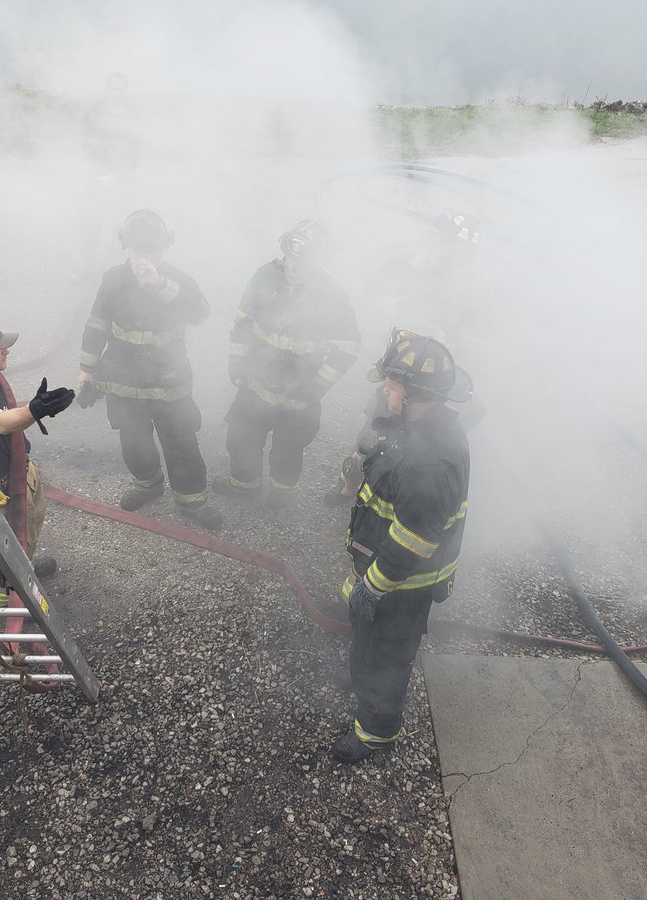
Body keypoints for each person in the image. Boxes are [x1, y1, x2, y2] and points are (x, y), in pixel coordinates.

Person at [332, 329, 473, 763]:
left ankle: (375, 732)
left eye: (392, 385)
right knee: (368, 643)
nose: (385, 391)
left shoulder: (430, 465)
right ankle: (362, 674)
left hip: (402, 587)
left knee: (387, 661)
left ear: (414, 395)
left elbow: (412, 540)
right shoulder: (416, 427)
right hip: (383, 573)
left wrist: (372, 588)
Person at [323, 210, 485, 505]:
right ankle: (350, 485)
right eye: (438, 242)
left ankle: (398, 495)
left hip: (433, 388)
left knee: (419, 448)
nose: (439, 251)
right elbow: (381, 287)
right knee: (371, 435)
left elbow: (474, 347)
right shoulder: (418, 267)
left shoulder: (470, 295)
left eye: (448, 247)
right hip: (401, 377)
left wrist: (448, 349)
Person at [77, 210, 223, 531]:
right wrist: (87, 370)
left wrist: (159, 285)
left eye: (152, 250)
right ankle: (147, 485)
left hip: (170, 384)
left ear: (164, 248)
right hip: (122, 383)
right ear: (126, 247)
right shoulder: (113, 279)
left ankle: (192, 500)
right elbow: (97, 324)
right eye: (138, 250)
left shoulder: (179, 280)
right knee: (133, 441)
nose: (144, 257)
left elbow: (200, 312)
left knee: (181, 441)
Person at [214, 220, 361, 509]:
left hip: (299, 395)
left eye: (302, 261)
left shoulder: (331, 296)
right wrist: (237, 361)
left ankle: (281, 495)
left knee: (288, 449)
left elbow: (348, 346)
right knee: (242, 438)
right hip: (256, 385)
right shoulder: (264, 278)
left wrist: (316, 386)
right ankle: (245, 486)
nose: (293, 266)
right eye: (291, 258)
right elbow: (243, 322)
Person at [0, 318, 76, 605]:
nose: (6, 350)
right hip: (3, 485)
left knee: (29, 527)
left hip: (19, 469)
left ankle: (23, 568)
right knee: (7, 542)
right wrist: (34, 410)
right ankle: (1, 596)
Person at [75, 73, 141, 277]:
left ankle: (116, 270)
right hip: (98, 175)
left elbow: (139, 145)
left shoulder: (133, 115)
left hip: (124, 176)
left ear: (126, 91)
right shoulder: (95, 112)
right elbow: (87, 141)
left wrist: (123, 171)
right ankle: (84, 266)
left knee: (121, 223)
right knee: (91, 219)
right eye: (113, 88)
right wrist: (102, 172)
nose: (116, 93)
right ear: (107, 89)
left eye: (120, 89)